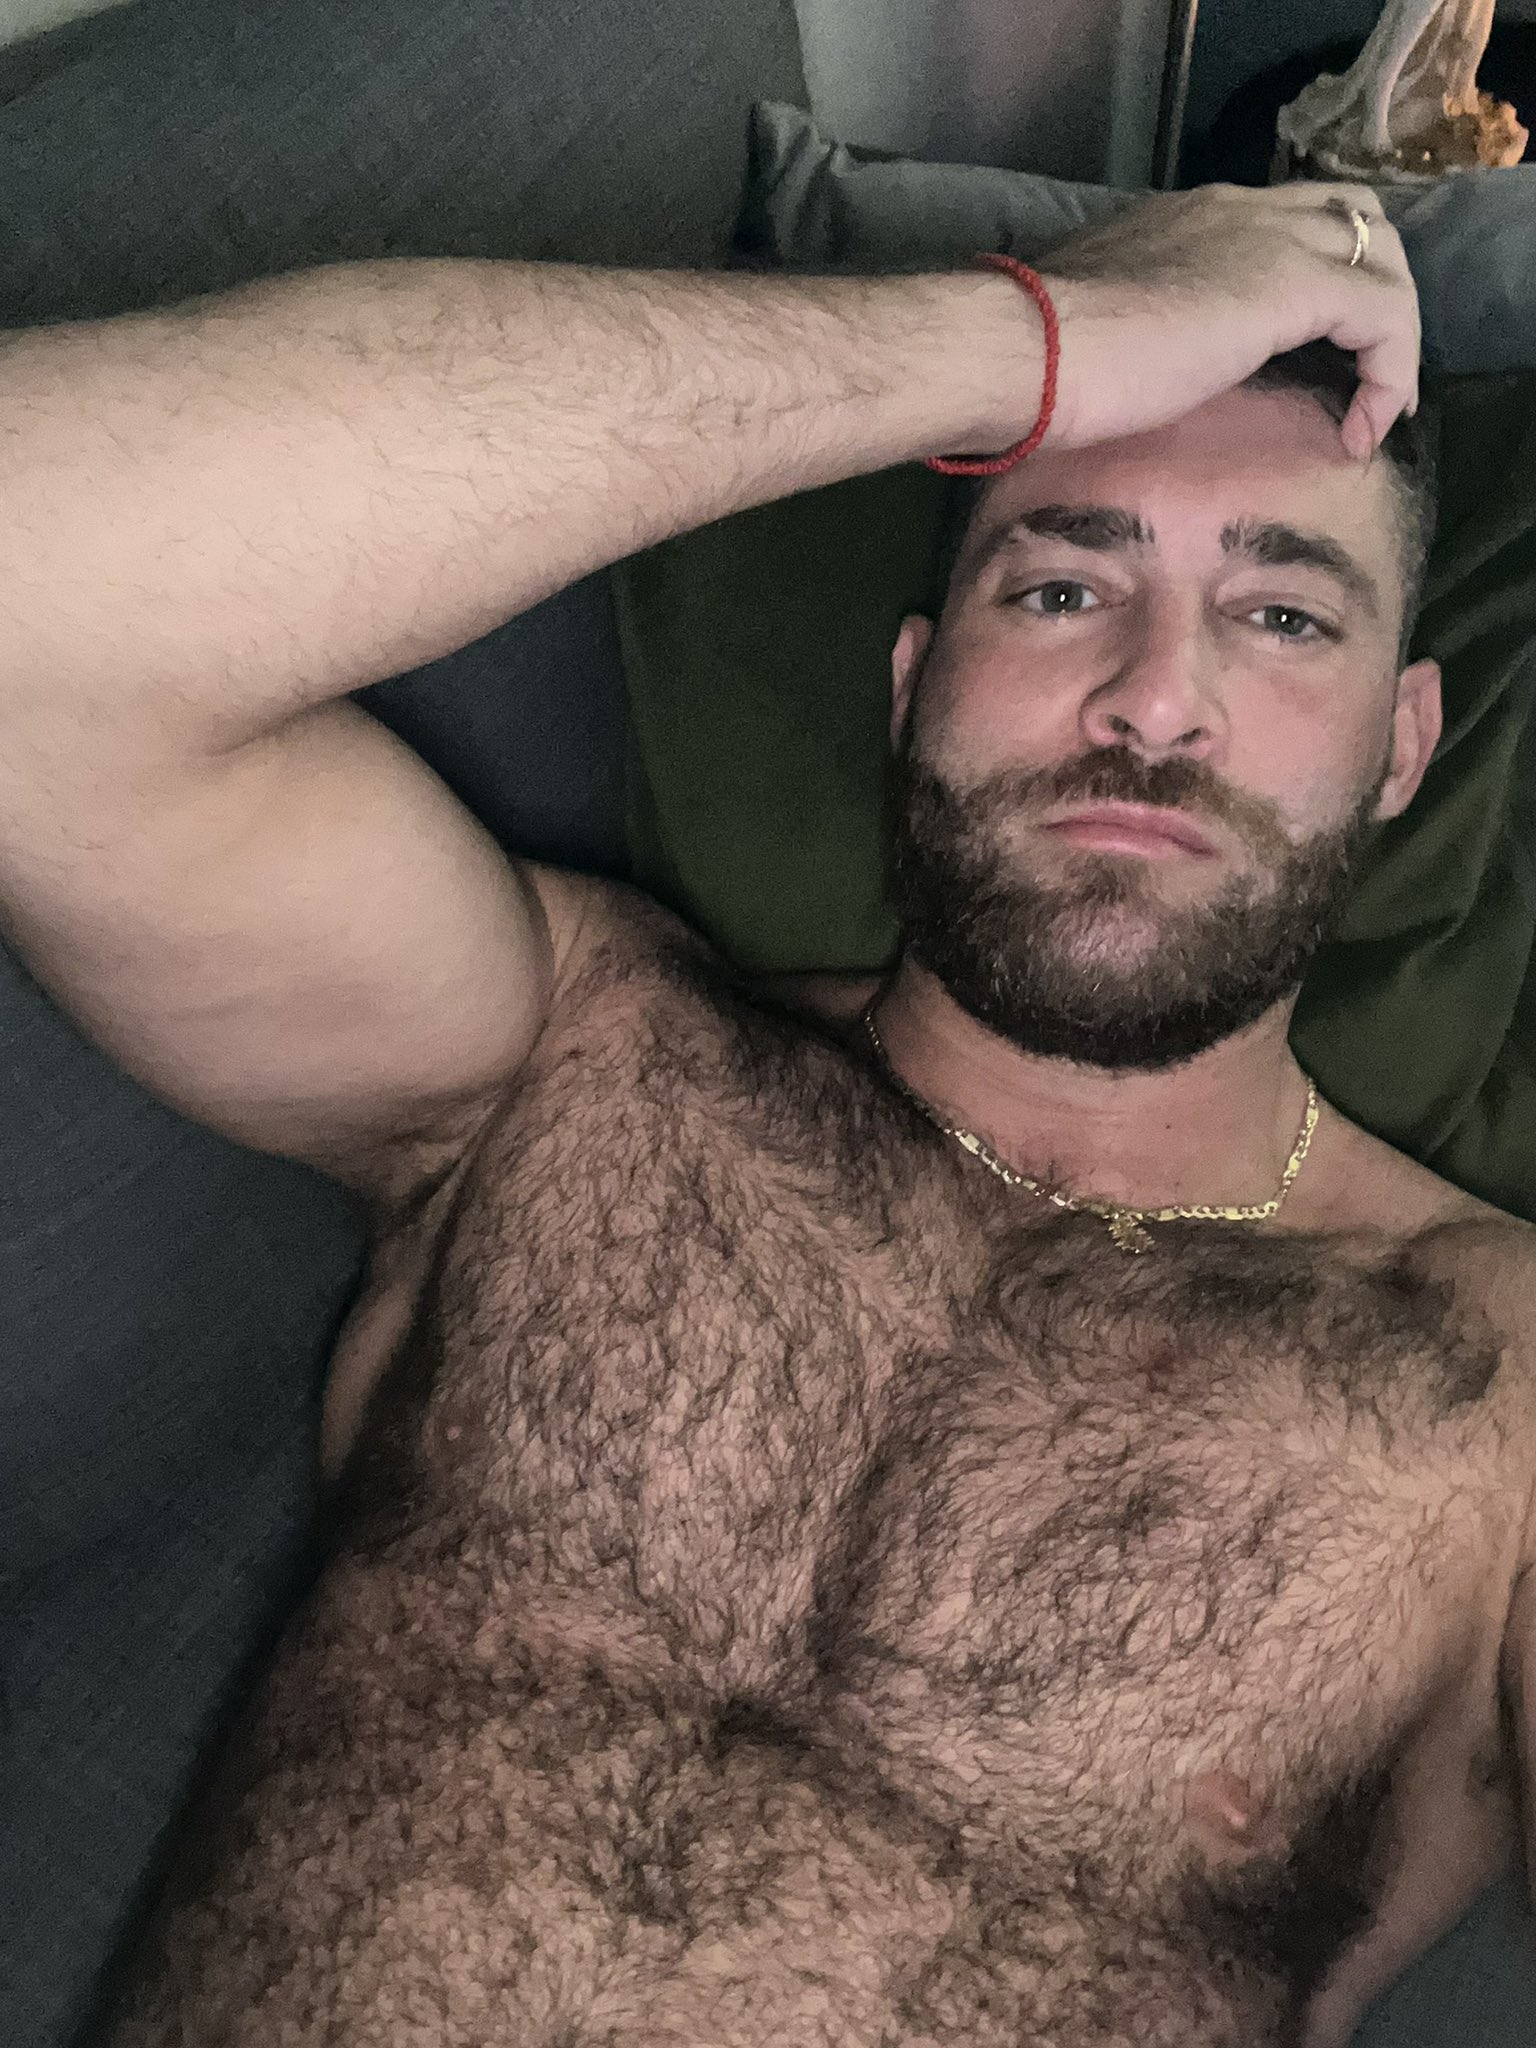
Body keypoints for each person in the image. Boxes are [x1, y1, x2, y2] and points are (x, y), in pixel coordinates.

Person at [3, 178, 1530, 2046]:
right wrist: (1023, 342)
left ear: (1402, 747)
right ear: (913, 683)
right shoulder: (572, 1054)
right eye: (1061, 587)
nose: (1156, 702)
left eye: (1284, 616)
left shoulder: (1498, 1386)